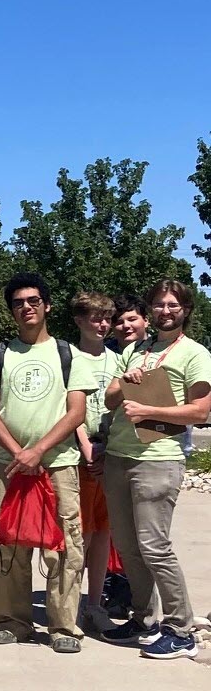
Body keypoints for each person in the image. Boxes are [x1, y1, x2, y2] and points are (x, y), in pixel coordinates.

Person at [0, 274, 91, 653]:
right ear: (11, 311)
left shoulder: (69, 354)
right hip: (7, 468)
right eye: (18, 303)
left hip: (58, 466)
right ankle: (11, 621)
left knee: (64, 545)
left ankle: (63, 626)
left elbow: (76, 412)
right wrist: (19, 452)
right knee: (7, 542)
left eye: (34, 301)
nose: (27, 307)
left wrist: (38, 450)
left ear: (47, 306)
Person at [102, 279, 211, 659]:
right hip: (119, 456)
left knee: (155, 546)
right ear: (150, 310)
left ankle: (180, 628)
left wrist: (150, 411)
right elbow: (109, 397)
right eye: (160, 305)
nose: (166, 311)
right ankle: (144, 617)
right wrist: (125, 383)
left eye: (173, 305)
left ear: (185, 310)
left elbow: (200, 412)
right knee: (128, 546)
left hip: (158, 458)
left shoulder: (195, 354)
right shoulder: (135, 349)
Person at [71, 291, 119, 632]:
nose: (101, 324)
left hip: (110, 451)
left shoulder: (117, 359)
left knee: (103, 532)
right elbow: (67, 409)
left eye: (106, 318)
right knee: (80, 533)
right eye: (94, 317)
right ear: (79, 321)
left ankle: (94, 602)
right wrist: (85, 445)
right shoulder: (69, 358)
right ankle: (70, 605)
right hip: (79, 453)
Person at [105, 295, 150, 618]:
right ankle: (126, 594)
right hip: (116, 449)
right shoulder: (118, 356)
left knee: (149, 539)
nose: (125, 326)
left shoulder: (154, 355)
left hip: (152, 453)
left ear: (145, 321)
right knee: (120, 534)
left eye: (132, 319)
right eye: (119, 321)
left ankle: (156, 613)